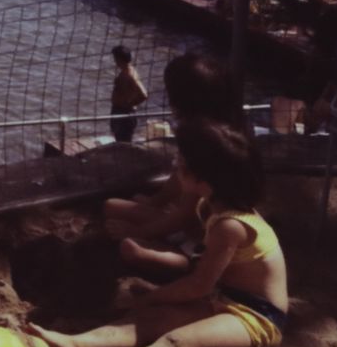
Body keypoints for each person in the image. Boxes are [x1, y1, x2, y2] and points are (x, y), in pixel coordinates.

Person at [33, 118, 288, 347]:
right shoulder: (211, 204)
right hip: (225, 299)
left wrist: (156, 295)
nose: (176, 164)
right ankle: (75, 343)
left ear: (206, 178)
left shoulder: (231, 225)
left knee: (180, 342)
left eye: (182, 161)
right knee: (150, 319)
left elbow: (199, 285)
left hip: (258, 318)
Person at [104, 50, 244, 250]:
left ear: (182, 99)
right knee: (113, 206)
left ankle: (178, 254)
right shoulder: (223, 131)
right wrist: (156, 201)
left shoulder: (199, 142)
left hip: (200, 233)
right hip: (198, 222)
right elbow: (178, 179)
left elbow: (186, 215)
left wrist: (138, 232)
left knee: (127, 242)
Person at [109, 46, 147, 143]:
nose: (114, 61)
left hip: (124, 114)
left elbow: (143, 94)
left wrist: (129, 105)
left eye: (115, 58)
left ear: (119, 59)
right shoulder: (126, 71)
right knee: (121, 141)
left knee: (123, 143)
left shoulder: (129, 74)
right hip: (120, 112)